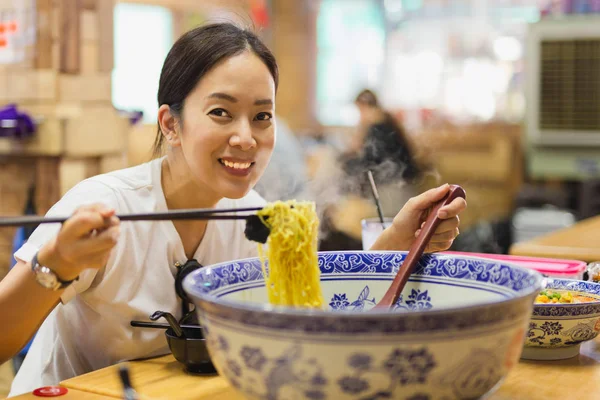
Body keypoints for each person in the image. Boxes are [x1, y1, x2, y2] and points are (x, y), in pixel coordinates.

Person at [0, 23, 466, 397]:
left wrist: (398, 246)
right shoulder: (104, 204)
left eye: (262, 116)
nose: (247, 137)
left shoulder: (258, 218)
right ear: (171, 123)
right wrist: (58, 264)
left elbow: (309, 315)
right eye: (221, 112)